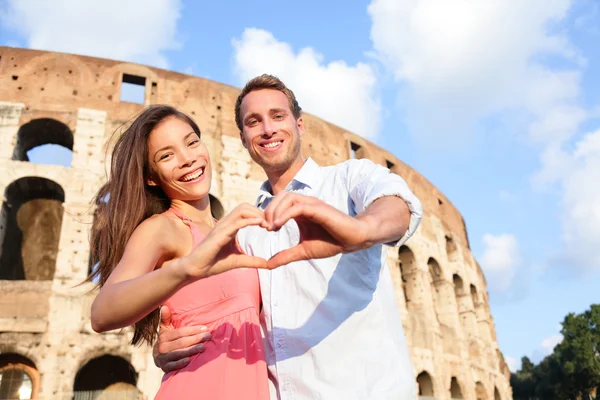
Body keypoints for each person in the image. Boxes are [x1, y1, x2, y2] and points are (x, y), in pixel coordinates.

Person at [154, 75, 424, 399]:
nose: (268, 129)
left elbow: (397, 205)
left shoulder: (348, 180)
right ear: (243, 138)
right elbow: (230, 312)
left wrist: (361, 231)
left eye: (278, 116)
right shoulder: (247, 229)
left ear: (299, 124)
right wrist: (171, 347)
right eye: (254, 122)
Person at [88, 105, 272, 399]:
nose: (187, 159)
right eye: (167, 155)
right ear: (151, 177)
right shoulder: (163, 229)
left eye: (192, 142)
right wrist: (186, 268)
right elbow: (102, 313)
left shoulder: (230, 233)